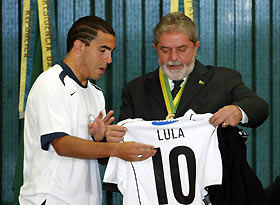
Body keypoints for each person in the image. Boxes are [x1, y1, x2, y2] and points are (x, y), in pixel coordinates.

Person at [19, 15, 156, 205]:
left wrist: (100, 139)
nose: (108, 59)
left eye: (111, 52)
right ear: (79, 46)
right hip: (52, 200)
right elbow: (62, 145)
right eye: (103, 50)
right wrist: (116, 148)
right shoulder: (50, 83)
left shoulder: (96, 93)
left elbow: (96, 154)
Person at [107, 11, 268, 143]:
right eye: (165, 50)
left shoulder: (223, 79)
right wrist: (107, 138)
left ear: (195, 47)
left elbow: (259, 107)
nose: (174, 57)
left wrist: (238, 111)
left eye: (182, 49)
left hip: (214, 180)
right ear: (155, 48)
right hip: (156, 180)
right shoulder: (135, 90)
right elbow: (121, 141)